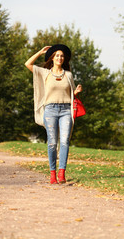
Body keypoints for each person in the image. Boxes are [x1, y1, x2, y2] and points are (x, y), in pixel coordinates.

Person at [25, 44, 82, 184]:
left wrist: (77, 92)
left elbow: (71, 94)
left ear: (64, 59)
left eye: (62, 56)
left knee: (64, 142)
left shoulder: (68, 75)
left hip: (65, 111)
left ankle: (62, 173)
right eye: (57, 55)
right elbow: (28, 64)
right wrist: (39, 52)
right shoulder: (45, 73)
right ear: (52, 58)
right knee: (52, 143)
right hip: (50, 110)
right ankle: (52, 175)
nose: (59, 57)